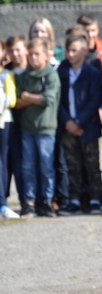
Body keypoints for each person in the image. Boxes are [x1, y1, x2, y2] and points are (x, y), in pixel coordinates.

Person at [56, 34, 102, 215]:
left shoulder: (92, 73)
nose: (70, 54)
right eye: (68, 50)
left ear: (84, 51)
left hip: (87, 126)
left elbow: (94, 100)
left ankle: (95, 200)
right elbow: (58, 100)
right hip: (68, 127)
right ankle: (74, 200)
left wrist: (79, 121)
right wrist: (67, 121)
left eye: (74, 50)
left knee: (92, 164)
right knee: (72, 164)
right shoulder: (61, 72)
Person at [15, 38, 61, 217]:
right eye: (31, 54)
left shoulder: (50, 75)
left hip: (46, 129)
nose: (33, 58)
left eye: (37, 54)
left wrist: (27, 96)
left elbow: (48, 99)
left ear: (45, 55)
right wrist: (30, 97)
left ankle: (47, 201)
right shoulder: (24, 75)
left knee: (46, 166)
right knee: (27, 167)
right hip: (27, 128)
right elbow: (17, 101)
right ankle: (29, 202)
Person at [4, 35, 27, 207]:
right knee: (8, 163)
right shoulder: (7, 72)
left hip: (29, 125)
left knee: (23, 166)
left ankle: (26, 201)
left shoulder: (33, 69)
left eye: (18, 49)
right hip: (10, 125)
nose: (15, 54)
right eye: (11, 51)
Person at [0, 40, 19, 219]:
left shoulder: (6, 75)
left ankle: (3, 203)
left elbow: (12, 100)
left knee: (2, 162)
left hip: (4, 122)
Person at [77, 14, 102, 78]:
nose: (90, 35)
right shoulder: (74, 50)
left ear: (98, 30)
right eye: (86, 31)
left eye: (93, 30)